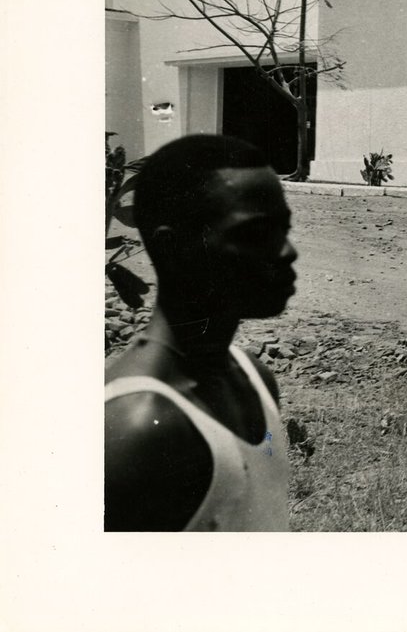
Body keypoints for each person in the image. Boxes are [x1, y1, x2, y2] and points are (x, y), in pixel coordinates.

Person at [104, 134, 298, 531]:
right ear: (174, 247)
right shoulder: (138, 429)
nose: (288, 251)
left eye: (284, 228)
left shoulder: (254, 379)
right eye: (257, 233)